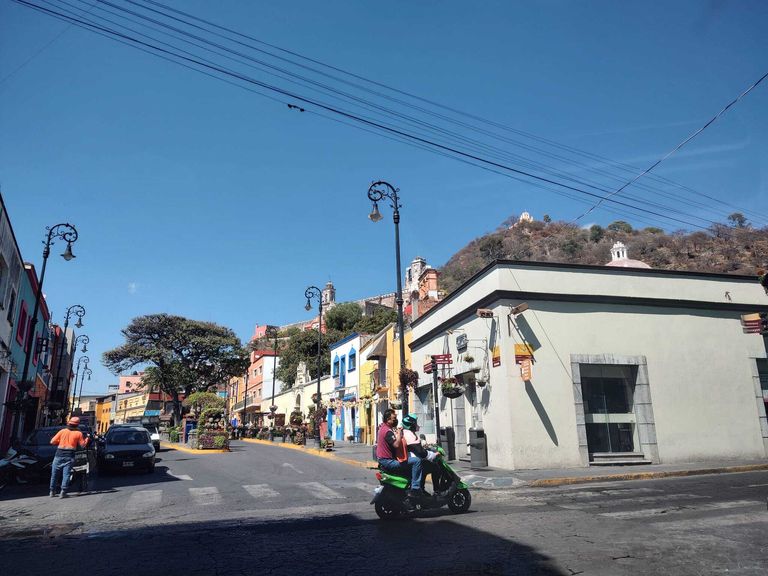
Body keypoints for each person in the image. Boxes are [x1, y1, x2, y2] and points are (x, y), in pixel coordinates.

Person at [375, 408, 423, 502]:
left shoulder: (383, 428)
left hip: (383, 460)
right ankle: (415, 489)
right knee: (417, 461)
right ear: (388, 420)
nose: (395, 420)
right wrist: (400, 435)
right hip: (388, 461)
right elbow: (396, 445)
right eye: (394, 419)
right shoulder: (387, 431)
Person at [49, 416, 89, 498]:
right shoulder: (78, 433)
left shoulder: (62, 431)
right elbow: (82, 446)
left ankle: (52, 491)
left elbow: (52, 441)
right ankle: (63, 492)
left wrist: (60, 441)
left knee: (54, 474)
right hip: (69, 456)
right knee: (66, 475)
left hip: (58, 455)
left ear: (69, 423)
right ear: (77, 425)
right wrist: (87, 438)